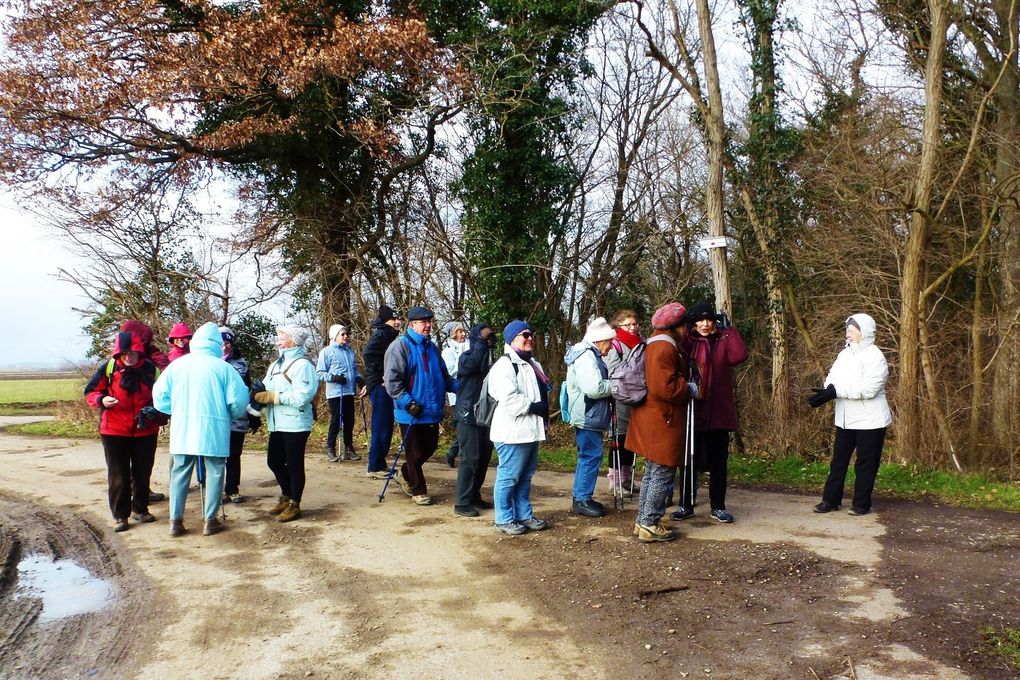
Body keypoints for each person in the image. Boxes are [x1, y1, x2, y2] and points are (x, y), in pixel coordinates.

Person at [151, 322, 250, 537]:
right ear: (215, 343)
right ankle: (210, 520)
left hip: (183, 428)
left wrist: (175, 410)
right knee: (215, 471)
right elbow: (239, 401)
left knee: (179, 472)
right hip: (214, 427)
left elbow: (159, 397)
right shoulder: (225, 368)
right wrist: (227, 415)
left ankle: (175, 522)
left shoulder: (177, 366)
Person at [671, 302, 749, 524]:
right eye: (700, 320)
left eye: (709, 320)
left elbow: (739, 356)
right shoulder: (688, 341)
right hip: (694, 410)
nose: (705, 324)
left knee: (718, 462)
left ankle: (718, 506)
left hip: (720, 412)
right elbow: (678, 354)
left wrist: (730, 330)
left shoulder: (724, 339)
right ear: (693, 322)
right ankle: (685, 504)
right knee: (689, 461)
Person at [808, 313, 892, 516]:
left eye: (853, 331)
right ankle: (830, 500)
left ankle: (861, 504)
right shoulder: (844, 355)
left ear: (864, 333)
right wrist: (828, 391)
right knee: (838, 461)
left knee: (865, 463)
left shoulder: (875, 356)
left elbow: (869, 388)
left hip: (870, 420)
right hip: (845, 418)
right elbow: (833, 377)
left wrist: (837, 391)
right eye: (848, 331)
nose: (848, 335)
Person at [84, 329, 165, 532]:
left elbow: (163, 395)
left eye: (134, 353)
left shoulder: (150, 369)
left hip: (145, 430)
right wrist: (101, 399)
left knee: (142, 472)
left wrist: (156, 411)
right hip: (113, 430)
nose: (129, 357)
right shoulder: (109, 368)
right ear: (118, 353)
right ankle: (121, 515)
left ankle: (140, 509)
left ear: (140, 352)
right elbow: (90, 391)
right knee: (118, 475)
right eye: (125, 353)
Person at [626, 302, 693, 542]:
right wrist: (688, 388)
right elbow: (664, 387)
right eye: (684, 325)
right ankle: (650, 523)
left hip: (652, 417)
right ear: (675, 326)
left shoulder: (655, 342)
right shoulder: (665, 347)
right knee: (662, 473)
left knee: (653, 472)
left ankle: (643, 521)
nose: (686, 329)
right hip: (663, 418)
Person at [383, 306, 455, 506]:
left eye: (430, 322)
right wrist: (408, 402)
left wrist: (462, 388)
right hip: (411, 411)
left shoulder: (432, 348)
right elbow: (392, 381)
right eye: (424, 322)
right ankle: (418, 490)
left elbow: (444, 376)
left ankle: (405, 473)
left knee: (429, 448)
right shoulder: (400, 347)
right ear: (412, 324)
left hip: (431, 411)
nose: (428, 326)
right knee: (414, 452)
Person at [487, 320, 551, 535]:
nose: (529, 338)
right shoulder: (504, 366)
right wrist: (534, 407)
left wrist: (540, 412)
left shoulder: (533, 364)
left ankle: (523, 514)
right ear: (512, 339)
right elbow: (508, 399)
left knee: (525, 476)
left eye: (530, 334)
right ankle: (503, 518)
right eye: (524, 335)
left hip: (530, 431)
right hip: (511, 432)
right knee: (509, 476)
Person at [252, 325, 319, 522]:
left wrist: (274, 397)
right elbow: (265, 389)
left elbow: (302, 397)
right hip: (276, 422)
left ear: (294, 340)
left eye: (282, 336)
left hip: (296, 423)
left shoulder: (303, 366)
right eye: (278, 336)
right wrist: (257, 399)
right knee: (273, 461)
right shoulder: (274, 365)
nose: (278, 340)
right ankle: (286, 494)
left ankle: (295, 503)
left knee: (294, 464)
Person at [564, 317, 616, 518]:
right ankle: (582, 499)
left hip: (588, 413)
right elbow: (593, 388)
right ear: (599, 341)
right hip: (588, 414)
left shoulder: (588, 354)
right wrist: (615, 387)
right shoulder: (586, 356)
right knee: (590, 456)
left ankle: (582, 497)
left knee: (588, 455)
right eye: (609, 342)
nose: (611, 347)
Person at [119, 319, 168, 502]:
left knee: (143, 459)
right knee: (136, 459)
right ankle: (137, 493)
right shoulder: (142, 357)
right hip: (130, 415)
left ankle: (141, 492)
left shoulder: (149, 357)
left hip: (145, 413)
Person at [452, 323, 496, 517]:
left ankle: (473, 495)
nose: (489, 340)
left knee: (484, 456)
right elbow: (470, 366)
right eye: (486, 337)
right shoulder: (467, 357)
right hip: (466, 412)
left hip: (484, 413)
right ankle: (461, 502)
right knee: (470, 458)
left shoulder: (489, 358)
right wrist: (480, 342)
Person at [604, 309, 642, 496]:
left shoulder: (640, 344)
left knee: (632, 440)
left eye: (634, 324)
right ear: (619, 326)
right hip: (620, 399)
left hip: (638, 398)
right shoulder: (615, 345)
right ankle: (615, 481)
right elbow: (611, 372)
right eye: (628, 325)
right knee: (619, 440)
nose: (633, 328)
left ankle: (627, 479)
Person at [317, 323, 366, 462]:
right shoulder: (326, 352)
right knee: (336, 420)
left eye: (346, 334)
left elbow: (354, 370)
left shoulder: (349, 351)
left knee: (349, 421)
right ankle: (330, 448)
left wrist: (360, 381)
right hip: (335, 392)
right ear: (334, 336)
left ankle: (349, 448)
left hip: (349, 391)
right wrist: (333, 377)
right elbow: (319, 373)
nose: (346, 336)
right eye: (342, 334)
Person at [363, 305, 402, 478]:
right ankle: (374, 467)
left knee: (385, 425)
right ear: (386, 321)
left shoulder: (390, 335)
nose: (398, 322)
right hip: (380, 387)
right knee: (381, 426)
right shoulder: (380, 335)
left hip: (383, 385)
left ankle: (379, 463)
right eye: (394, 319)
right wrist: (381, 376)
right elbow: (369, 355)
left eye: (398, 319)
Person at [221, 326, 256, 504]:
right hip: (218, 417)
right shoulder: (210, 362)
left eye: (227, 342)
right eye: (221, 342)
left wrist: (253, 413)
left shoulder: (241, 363)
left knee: (234, 454)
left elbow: (247, 389)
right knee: (217, 455)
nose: (224, 346)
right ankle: (214, 489)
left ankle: (232, 488)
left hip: (238, 418)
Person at [441, 321, 468, 467]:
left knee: (466, 423)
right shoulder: (447, 352)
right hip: (457, 393)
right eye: (459, 332)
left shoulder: (469, 346)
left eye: (463, 331)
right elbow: (450, 372)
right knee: (462, 424)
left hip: (471, 391)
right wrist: (464, 360)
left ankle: (453, 453)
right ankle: (458, 454)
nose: (463, 334)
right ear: (452, 334)